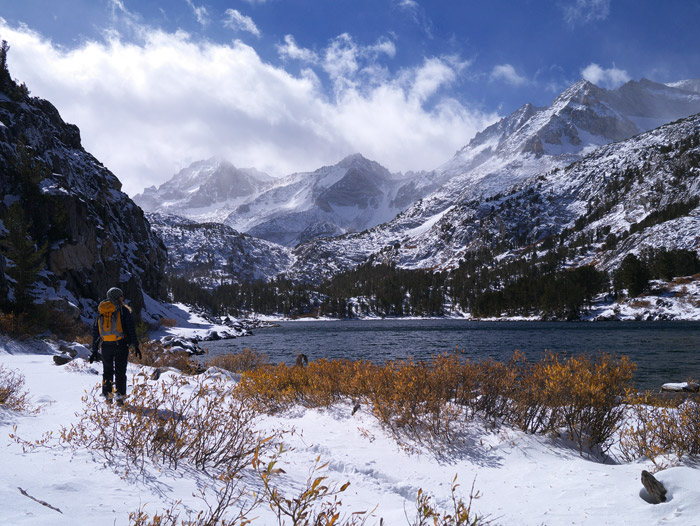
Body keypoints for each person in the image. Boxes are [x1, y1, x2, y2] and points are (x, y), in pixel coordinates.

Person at [90, 287, 142, 405]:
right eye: (121, 296)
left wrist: (94, 349)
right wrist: (136, 345)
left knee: (107, 371)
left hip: (106, 345)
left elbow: (96, 331)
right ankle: (120, 399)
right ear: (118, 297)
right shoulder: (123, 310)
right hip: (120, 345)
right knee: (120, 372)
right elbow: (130, 329)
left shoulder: (101, 310)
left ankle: (108, 398)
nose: (122, 298)